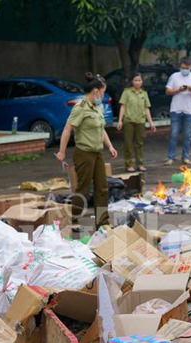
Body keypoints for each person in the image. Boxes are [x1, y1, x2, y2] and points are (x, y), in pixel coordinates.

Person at [56, 72, 118, 229]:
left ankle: (102, 222)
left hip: (97, 153)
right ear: (96, 91)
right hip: (84, 153)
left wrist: (110, 146)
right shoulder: (80, 108)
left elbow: (101, 128)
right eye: (102, 93)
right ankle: (73, 218)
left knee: (102, 187)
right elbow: (67, 129)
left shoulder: (98, 107)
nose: (103, 96)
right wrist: (62, 152)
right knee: (83, 188)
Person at [166, 57, 191, 165]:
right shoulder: (174, 76)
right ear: (180, 66)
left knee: (187, 135)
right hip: (175, 109)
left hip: (189, 110)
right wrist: (178, 90)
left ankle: (185, 157)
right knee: (174, 134)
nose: (184, 70)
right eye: (182, 68)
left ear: (190, 67)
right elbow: (168, 91)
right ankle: (170, 157)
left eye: (187, 68)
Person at [117, 73, 156, 173]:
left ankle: (140, 164)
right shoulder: (127, 92)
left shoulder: (144, 94)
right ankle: (128, 164)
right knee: (128, 143)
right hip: (129, 121)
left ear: (142, 82)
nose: (137, 82)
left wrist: (151, 122)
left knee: (139, 143)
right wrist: (120, 120)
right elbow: (123, 107)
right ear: (132, 82)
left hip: (140, 121)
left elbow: (146, 108)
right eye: (135, 80)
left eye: (139, 80)